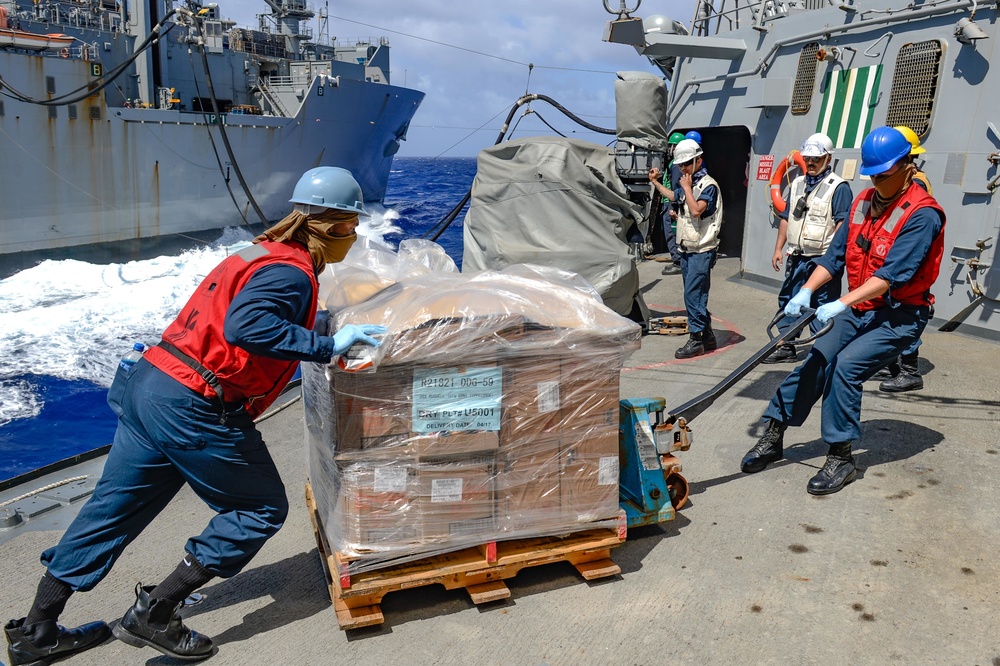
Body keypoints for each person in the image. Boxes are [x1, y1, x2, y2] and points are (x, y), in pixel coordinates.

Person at [4, 167, 387, 665]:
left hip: (152, 384)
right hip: (194, 404)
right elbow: (247, 324)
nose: (354, 237)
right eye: (351, 226)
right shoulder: (291, 271)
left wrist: (310, 322)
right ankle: (155, 613)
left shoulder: (257, 253)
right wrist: (326, 344)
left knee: (111, 510)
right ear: (330, 226)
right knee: (260, 509)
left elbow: (235, 311)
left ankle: (37, 632)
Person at [740, 126, 946, 495]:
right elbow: (835, 257)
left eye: (883, 173)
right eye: (873, 174)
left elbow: (891, 275)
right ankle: (774, 434)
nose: (877, 180)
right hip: (861, 307)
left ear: (907, 166)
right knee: (817, 358)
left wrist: (839, 303)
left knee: (846, 367)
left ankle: (842, 456)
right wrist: (805, 291)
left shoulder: (923, 214)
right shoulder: (862, 201)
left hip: (899, 316)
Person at [763, 133, 853, 363]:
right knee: (789, 300)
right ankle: (786, 345)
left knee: (821, 305)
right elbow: (786, 218)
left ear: (828, 158)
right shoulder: (797, 185)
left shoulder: (838, 188)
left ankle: (824, 351)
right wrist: (778, 249)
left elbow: (843, 225)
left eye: (816, 158)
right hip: (797, 256)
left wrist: (832, 260)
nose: (811, 162)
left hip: (822, 259)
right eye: (808, 158)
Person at [875, 126, 932, 392]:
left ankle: (910, 371)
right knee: (892, 314)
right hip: (898, 257)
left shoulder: (915, 183)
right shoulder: (912, 179)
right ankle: (893, 365)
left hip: (908, 263)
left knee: (905, 313)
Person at [656, 138, 723, 359]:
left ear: (697, 161)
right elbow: (676, 197)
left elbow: (696, 211)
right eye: (680, 165)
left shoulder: (708, 186)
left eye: (686, 164)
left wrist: (686, 187)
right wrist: (655, 183)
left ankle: (696, 340)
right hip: (688, 249)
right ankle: (708, 336)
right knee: (697, 294)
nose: (682, 169)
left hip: (702, 250)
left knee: (693, 294)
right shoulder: (691, 184)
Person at [648, 131, 685, 275]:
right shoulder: (676, 164)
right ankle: (678, 259)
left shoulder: (676, 165)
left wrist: (674, 207)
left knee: (670, 232)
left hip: (670, 202)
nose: (670, 148)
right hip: (670, 201)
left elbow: (676, 187)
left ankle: (678, 261)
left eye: (672, 146)